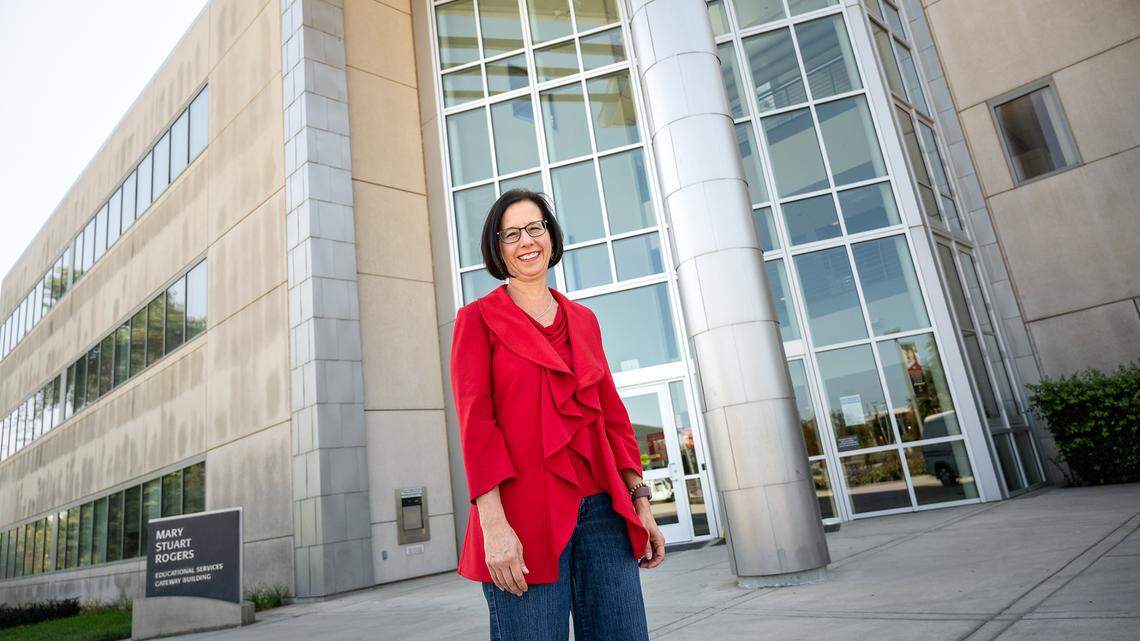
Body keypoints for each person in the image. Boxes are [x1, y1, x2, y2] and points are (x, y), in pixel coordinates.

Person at [450, 188, 666, 641]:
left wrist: (641, 502)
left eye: (535, 228)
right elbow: (477, 428)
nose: (526, 241)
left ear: (550, 236)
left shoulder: (583, 320)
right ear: (497, 248)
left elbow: (613, 419)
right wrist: (494, 526)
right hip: (523, 520)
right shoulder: (477, 320)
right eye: (511, 234)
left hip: (604, 514)